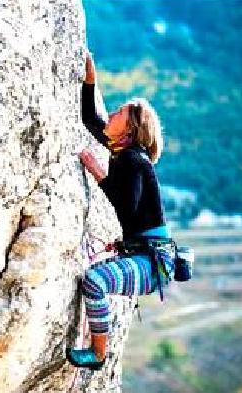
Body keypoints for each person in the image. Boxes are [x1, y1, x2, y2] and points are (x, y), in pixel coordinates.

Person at [67, 51, 175, 370]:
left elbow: (126, 208)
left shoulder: (133, 160)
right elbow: (91, 119)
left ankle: (99, 355)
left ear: (128, 130)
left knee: (95, 281)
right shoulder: (124, 151)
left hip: (153, 262)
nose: (110, 114)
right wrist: (90, 79)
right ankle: (98, 346)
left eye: (118, 112)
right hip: (145, 255)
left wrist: (96, 170)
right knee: (95, 279)